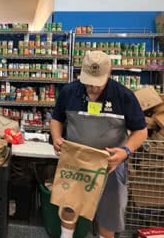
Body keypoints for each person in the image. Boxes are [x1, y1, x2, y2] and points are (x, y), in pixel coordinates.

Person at [50, 50, 147, 238]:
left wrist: (125, 151)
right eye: (89, 83)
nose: (93, 88)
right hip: (76, 161)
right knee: (69, 205)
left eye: (98, 83)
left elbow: (141, 131)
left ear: (109, 73)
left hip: (109, 164)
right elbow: (56, 118)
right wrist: (56, 137)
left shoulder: (124, 96)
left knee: (109, 212)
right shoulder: (70, 92)